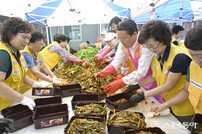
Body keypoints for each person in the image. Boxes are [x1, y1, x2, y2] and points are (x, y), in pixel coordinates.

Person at [130, 20, 194, 124]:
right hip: (168, 103)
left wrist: (143, 95)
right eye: (147, 46)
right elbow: (155, 76)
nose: (151, 49)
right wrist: (137, 85)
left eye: (152, 45)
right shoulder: (158, 54)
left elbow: (169, 84)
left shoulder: (179, 57)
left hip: (183, 107)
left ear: (163, 40)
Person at [95, 19, 163, 103]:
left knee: (157, 104)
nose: (122, 42)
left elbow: (141, 71)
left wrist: (120, 82)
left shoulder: (146, 45)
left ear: (135, 34)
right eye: (119, 38)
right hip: (141, 82)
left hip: (155, 81)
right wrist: (103, 73)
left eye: (123, 38)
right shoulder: (123, 44)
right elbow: (116, 61)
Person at [150, 26, 202, 115]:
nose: (197, 60)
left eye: (200, 56)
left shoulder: (179, 57)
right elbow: (186, 91)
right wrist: (165, 105)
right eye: (193, 55)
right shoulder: (193, 66)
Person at [0, 17, 44, 111]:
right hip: (2, 109)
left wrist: (36, 84)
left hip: (11, 104)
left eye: (28, 38)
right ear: (10, 35)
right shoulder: (3, 54)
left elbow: (21, 76)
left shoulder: (17, 53)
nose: (27, 41)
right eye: (24, 37)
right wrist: (22, 99)